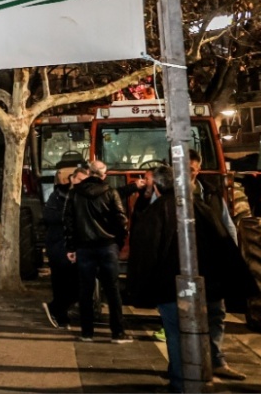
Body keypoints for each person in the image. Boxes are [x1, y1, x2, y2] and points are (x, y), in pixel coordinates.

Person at [189, 150, 255, 381]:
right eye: (185, 169)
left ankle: (216, 360)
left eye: (193, 169)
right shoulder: (168, 195)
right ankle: (188, 362)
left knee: (216, 311)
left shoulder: (212, 192)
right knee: (186, 313)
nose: (190, 174)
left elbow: (227, 225)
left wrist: (232, 257)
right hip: (184, 264)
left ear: (198, 169)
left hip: (212, 262)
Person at [126, 165, 184, 392]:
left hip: (168, 283)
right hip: (182, 282)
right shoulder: (192, 206)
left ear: (158, 186)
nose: (144, 183)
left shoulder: (158, 212)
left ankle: (180, 379)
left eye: (148, 180)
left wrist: (139, 287)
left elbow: (146, 252)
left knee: (175, 331)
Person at [64, 159, 131, 343]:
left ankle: (87, 332)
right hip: (107, 246)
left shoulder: (75, 193)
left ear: (88, 172)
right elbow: (121, 220)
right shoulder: (111, 192)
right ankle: (118, 332)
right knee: (112, 289)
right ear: (103, 175)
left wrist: (71, 247)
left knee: (85, 290)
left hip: (84, 247)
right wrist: (117, 241)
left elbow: (69, 222)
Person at [42, 165, 85, 329]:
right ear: (72, 179)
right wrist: (69, 217)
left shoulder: (80, 197)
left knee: (75, 284)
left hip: (73, 247)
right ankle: (60, 316)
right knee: (61, 283)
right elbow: (48, 216)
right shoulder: (57, 196)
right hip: (59, 246)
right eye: (79, 179)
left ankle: (56, 309)